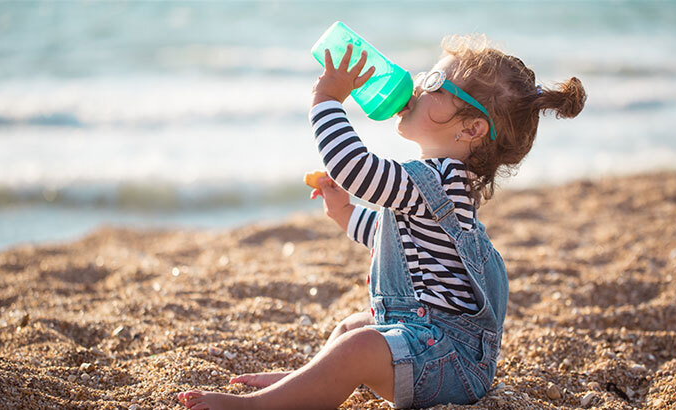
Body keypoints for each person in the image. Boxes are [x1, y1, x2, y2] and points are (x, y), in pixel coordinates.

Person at [178, 34, 586, 410]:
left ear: (471, 128)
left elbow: (352, 166)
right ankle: (308, 383)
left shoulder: (436, 180)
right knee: (354, 327)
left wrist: (326, 99)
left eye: (435, 82)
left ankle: (260, 406)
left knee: (359, 346)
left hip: (449, 364)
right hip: (428, 342)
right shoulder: (440, 183)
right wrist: (347, 214)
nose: (416, 84)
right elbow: (400, 241)